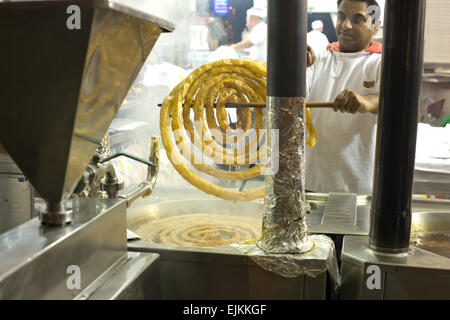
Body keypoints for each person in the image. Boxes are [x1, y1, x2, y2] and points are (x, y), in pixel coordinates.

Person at [305, 0, 382, 195]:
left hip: (357, 186)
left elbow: (392, 99)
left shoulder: (381, 62)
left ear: (375, 27)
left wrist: (366, 101)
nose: (345, 25)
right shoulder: (320, 57)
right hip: (311, 180)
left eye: (357, 19)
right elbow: (295, 98)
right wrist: (295, 65)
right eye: (341, 17)